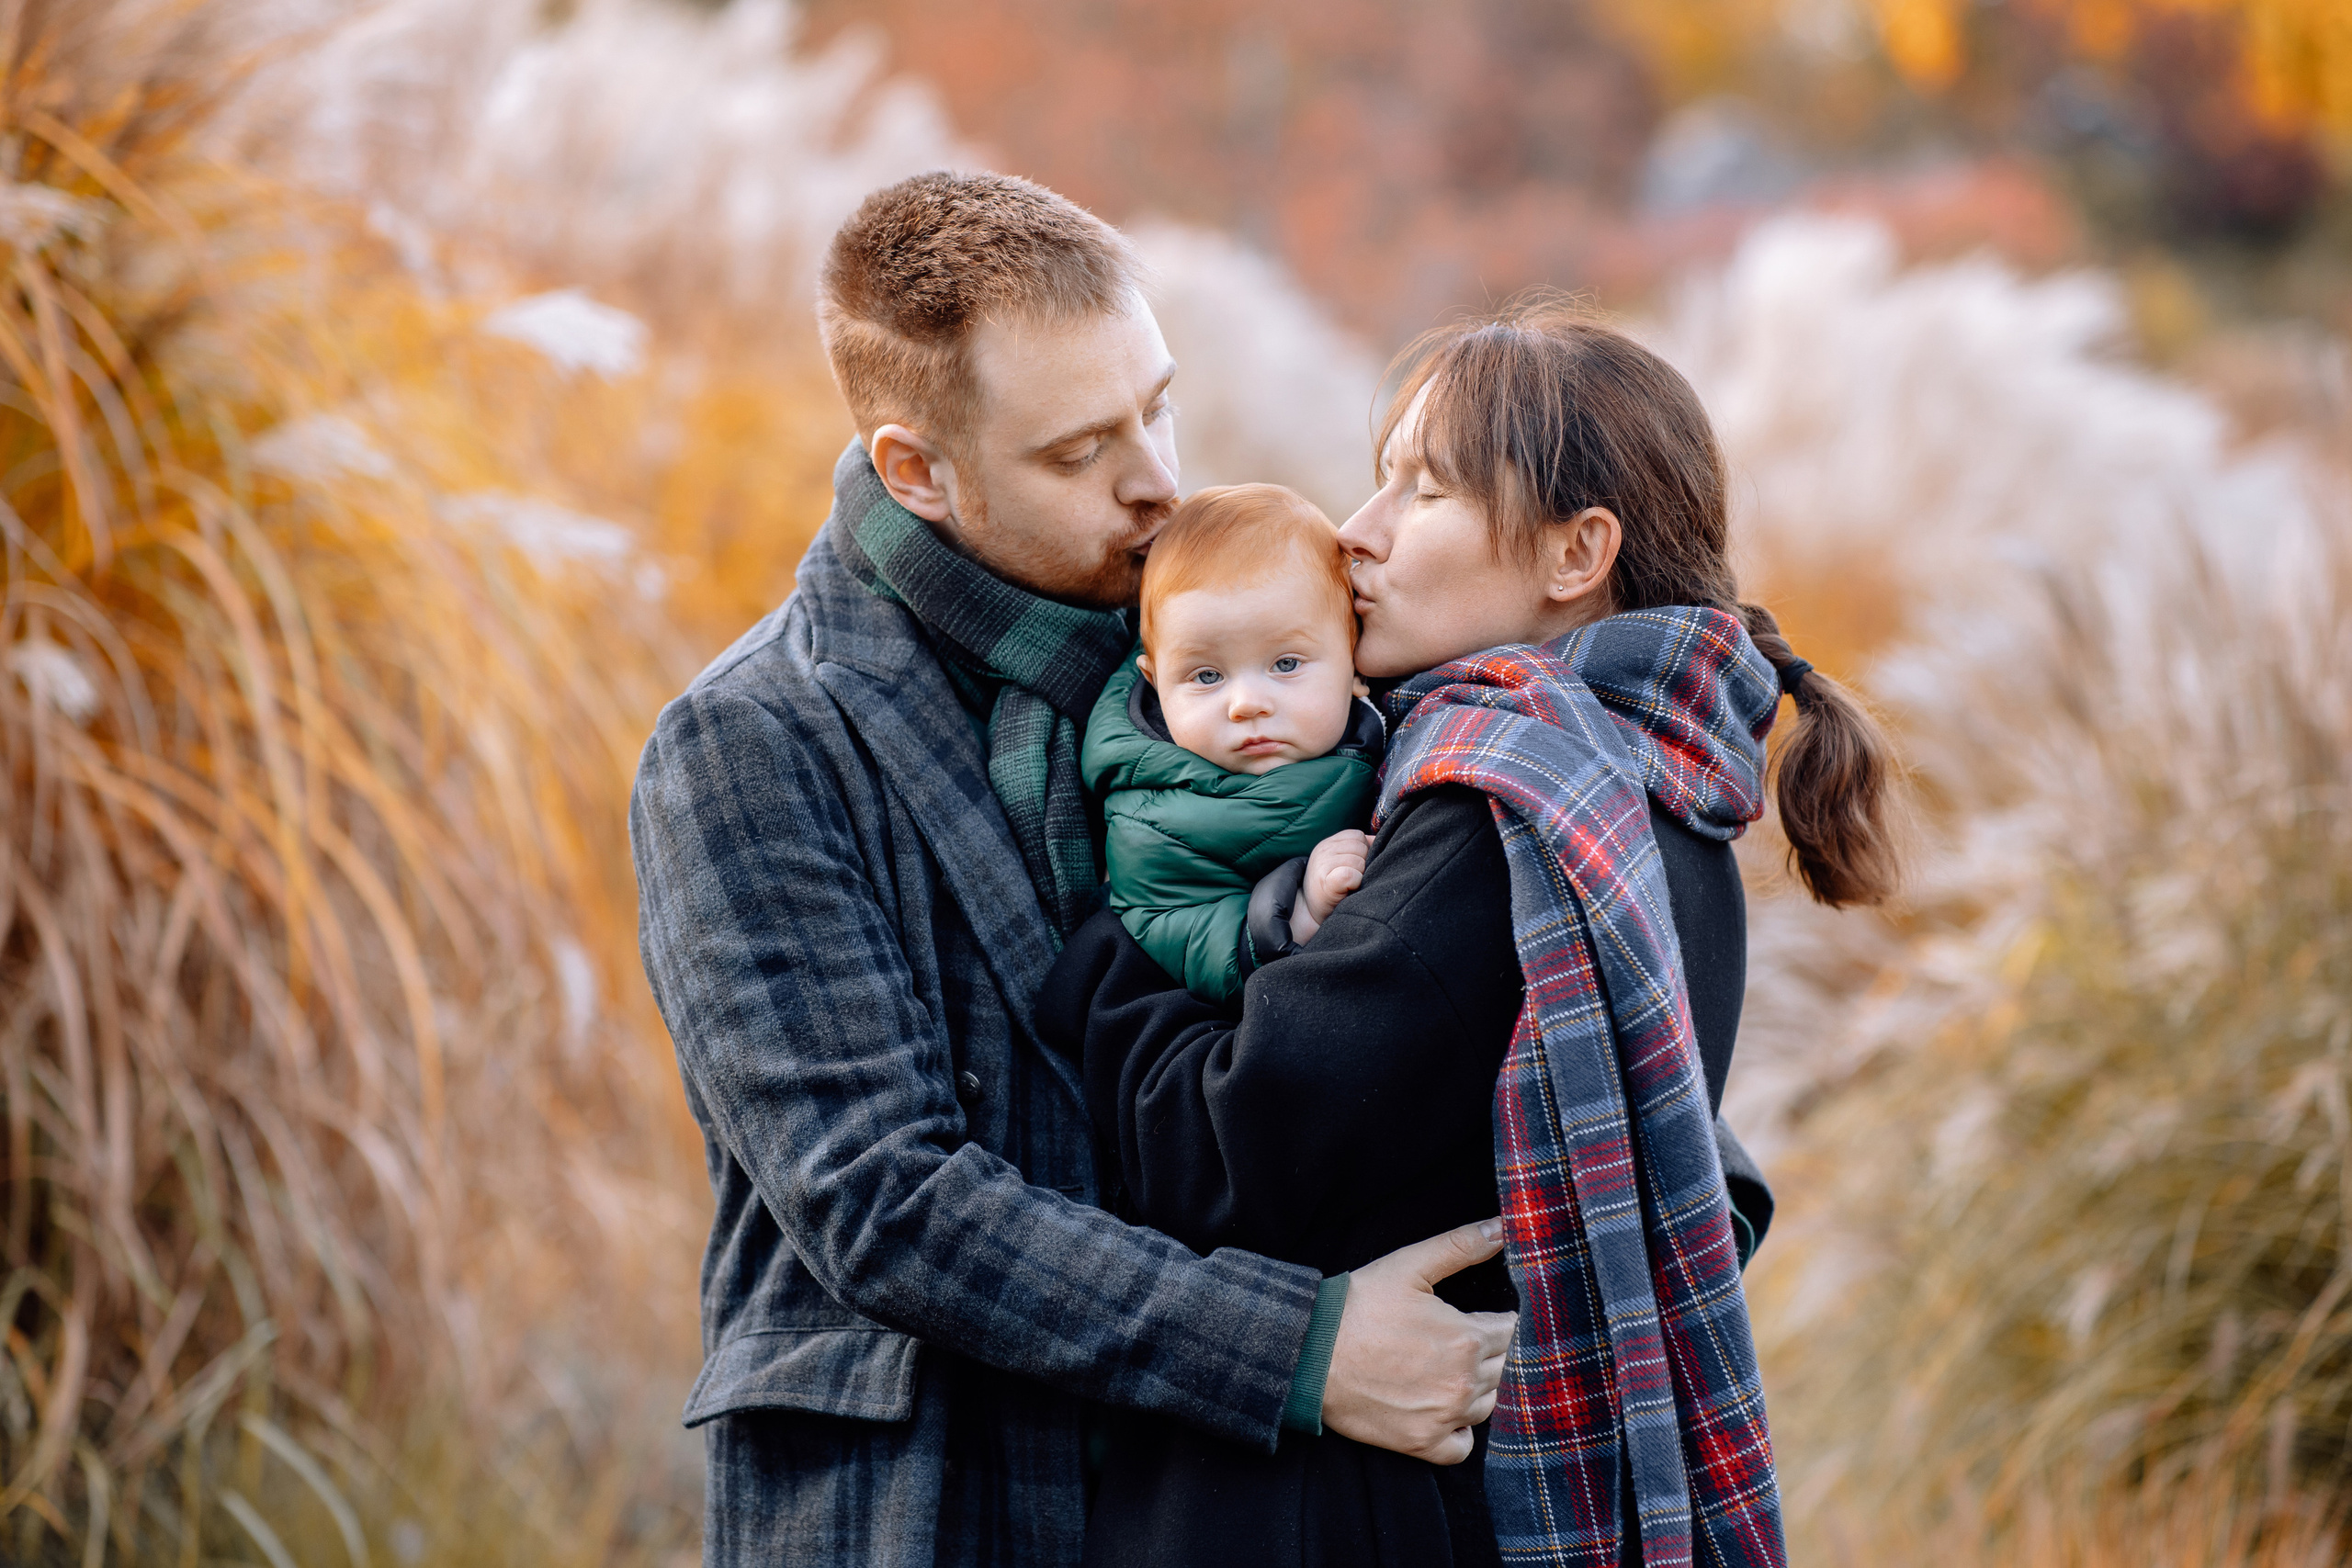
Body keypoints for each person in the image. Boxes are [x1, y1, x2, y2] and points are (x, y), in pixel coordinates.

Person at [628, 170, 1517, 1568]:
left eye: (1158, 403)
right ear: (917, 468)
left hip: (1224, 1506)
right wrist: (1301, 1348)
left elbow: (1422, 946)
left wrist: (1659, 1154)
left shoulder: (1213, 643)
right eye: (1081, 448)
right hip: (937, 1502)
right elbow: (881, 1197)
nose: (1157, 477)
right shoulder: (750, 742)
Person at [1038, 298, 1905, 1567]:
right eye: (1379, 477)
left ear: (1575, 554)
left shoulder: (1498, 819)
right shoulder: (1652, 794)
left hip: (1330, 1508)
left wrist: (1119, 934)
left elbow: (1212, 1149)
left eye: (1425, 492)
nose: (1359, 530)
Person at [1086, 483, 1382, 1005]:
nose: (1246, 703)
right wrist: (1298, 913)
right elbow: (1166, 922)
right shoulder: (1152, 814)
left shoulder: (1396, 728)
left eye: (1285, 664)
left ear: (1353, 655)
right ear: (1155, 682)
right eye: (1205, 675)